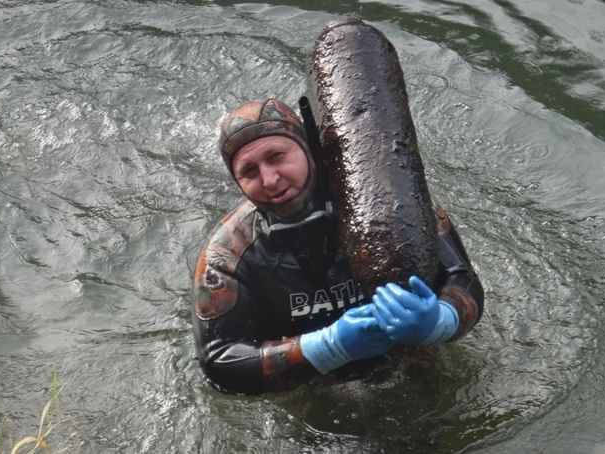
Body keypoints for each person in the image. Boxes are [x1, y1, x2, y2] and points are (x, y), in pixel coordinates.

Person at [192, 98, 484, 395]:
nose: (269, 179)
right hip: (318, 393)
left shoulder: (392, 200)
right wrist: (326, 348)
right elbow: (218, 361)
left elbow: (463, 277)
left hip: (410, 366)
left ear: (309, 151)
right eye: (249, 172)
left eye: (277, 156)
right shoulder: (228, 253)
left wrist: (440, 322)